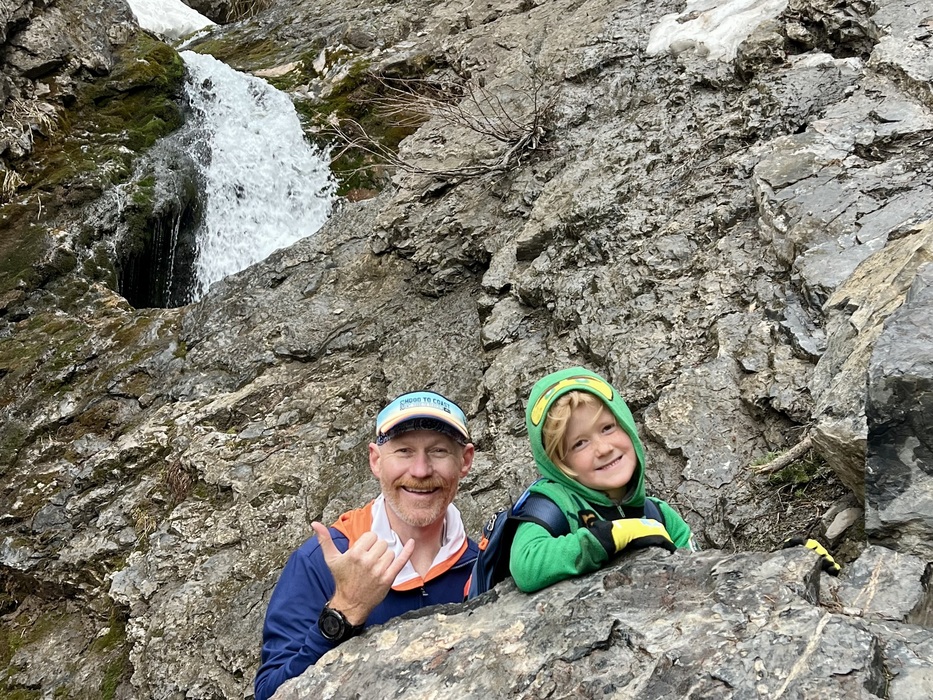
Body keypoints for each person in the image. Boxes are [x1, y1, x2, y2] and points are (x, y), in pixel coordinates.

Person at [254, 391, 478, 700]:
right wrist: (344, 610)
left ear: (465, 461)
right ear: (376, 460)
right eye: (404, 451)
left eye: (438, 451)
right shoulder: (320, 562)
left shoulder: (483, 563)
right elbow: (269, 692)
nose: (420, 470)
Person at [510, 367, 696, 593]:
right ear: (559, 464)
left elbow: (696, 571)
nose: (604, 449)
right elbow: (526, 565)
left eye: (607, 428)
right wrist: (610, 536)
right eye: (579, 443)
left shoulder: (660, 514)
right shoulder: (551, 505)